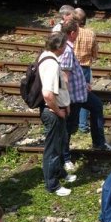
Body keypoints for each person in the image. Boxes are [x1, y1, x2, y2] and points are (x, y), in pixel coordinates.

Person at [59, 19, 110, 167]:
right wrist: (65, 101)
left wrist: (83, 83)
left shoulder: (68, 46)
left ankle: (99, 143)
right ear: (73, 33)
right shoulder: (67, 50)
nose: (79, 34)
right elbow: (65, 78)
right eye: (77, 32)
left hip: (80, 91)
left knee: (97, 106)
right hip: (73, 96)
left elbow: (72, 72)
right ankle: (66, 158)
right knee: (69, 127)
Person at [37, 31, 72, 196]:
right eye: (64, 45)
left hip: (56, 110)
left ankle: (59, 172)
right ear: (59, 47)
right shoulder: (52, 64)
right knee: (52, 149)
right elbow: (47, 94)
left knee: (59, 144)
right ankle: (52, 184)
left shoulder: (45, 55)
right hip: (53, 112)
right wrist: (58, 111)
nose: (66, 48)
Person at [74, 8, 99, 134]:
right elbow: (95, 53)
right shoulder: (91, 34)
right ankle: (82, 125)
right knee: (84, 96)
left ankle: (72, 121)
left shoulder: (71, 32)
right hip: (84, 67)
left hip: (71, 68)